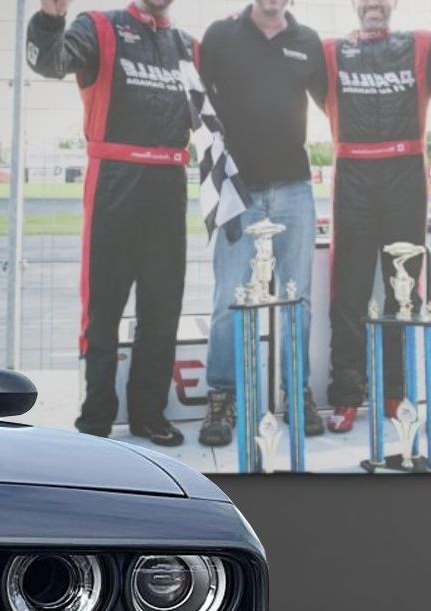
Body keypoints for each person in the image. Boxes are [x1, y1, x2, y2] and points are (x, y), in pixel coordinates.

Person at [27, 0, 194, 447]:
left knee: (162, 309)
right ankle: (96, 419)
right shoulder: (99, 26)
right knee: (103, 310)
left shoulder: (188, 46)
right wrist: (50, 20)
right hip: (115, 182)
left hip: (170, 185)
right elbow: (50, 62)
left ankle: (149, 415)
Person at [199, 0, 327, 447]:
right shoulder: (221, 35)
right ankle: (223, 395)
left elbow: (337, 106)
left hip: (295, 187)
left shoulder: (308, 41)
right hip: (238, 188)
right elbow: (192, 98)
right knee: (228, 298)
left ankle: (297, 393)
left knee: (298, 299)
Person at [318, 0, 431, 434]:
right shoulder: (329, 50)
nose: (373, 4)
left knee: (403, 293)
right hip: (354, 177)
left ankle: (395, 392)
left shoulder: (420, 44)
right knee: (348, 292)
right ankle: (346, 395)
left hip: (407, 177)